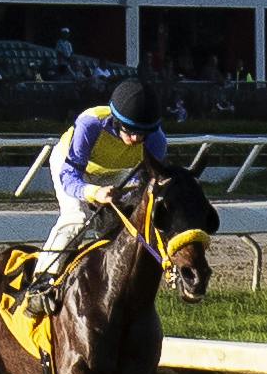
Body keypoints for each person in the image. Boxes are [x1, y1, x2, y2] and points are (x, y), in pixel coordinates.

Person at [29, 75, 169, 298]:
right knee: (77, 219)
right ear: (116, 121)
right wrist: (93, 192)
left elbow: (146, 183)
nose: (135, 139)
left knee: (120, 225)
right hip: (72, 167)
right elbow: (69, 177)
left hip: (113, 173)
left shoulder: (156, 141)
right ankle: (41, 282)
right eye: (130, 131)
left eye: (143, 134)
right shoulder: (91, 124)